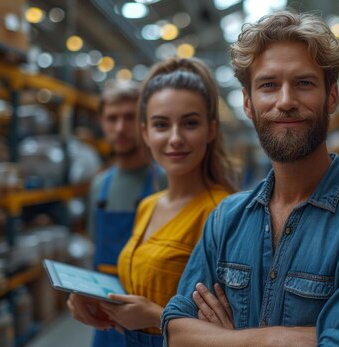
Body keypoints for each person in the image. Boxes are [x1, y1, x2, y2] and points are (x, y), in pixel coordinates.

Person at [161, 10, 339, 346]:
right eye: (269, 85)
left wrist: (223, 338)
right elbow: (176, 331)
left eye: (304, 83)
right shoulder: (226, 220)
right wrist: (275, 340)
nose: (285, 101)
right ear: (248, 103)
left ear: (332, 97)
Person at [68, 57, 238, 347]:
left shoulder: (224, 213)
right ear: (146, 133)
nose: (175, 138)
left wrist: (155, 316)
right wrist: (87, 294)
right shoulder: (149, 205)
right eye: (161, 125)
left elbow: (233, 331)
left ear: (211, 129)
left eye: (190, 123)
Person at [85, 80, 163, 347]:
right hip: (105, 320)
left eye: (129, 117)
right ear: (102, 122)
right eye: (112, 118)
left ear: (145, 121)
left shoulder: (165, 182)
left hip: (149, 324)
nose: (120, 128)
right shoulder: (99, 187)